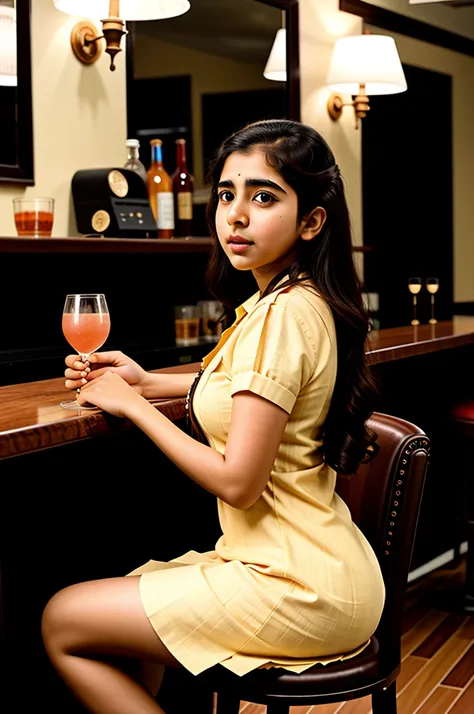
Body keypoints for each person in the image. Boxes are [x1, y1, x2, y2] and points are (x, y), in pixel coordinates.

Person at [41, 119, 385, 714]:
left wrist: (135, 409)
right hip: (312, 564)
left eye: (263, 196)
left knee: (60, 622)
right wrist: (149, 381)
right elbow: (238, 386)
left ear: (312, 220)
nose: (236, 215)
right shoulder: (289, 300)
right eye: (227, 194)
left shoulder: (281, 314)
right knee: (125, 619)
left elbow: (238, 482)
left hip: (299, 584)